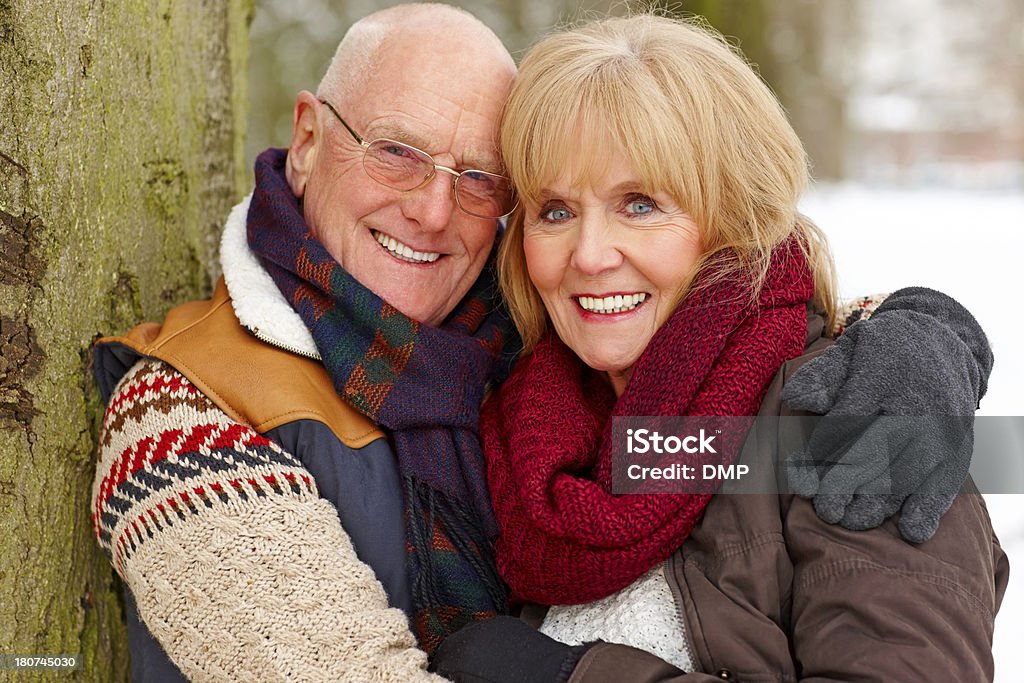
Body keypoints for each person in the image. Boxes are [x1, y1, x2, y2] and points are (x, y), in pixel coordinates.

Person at [89, 4, 995, 682]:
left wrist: (923, 323)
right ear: (308, 139)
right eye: (396, 151)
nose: (433, 210)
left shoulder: (856, 419)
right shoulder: (189, 412)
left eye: (480, 177)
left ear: (730, 218)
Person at [431, 13, 1008, 682]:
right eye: (555, 210)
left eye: (640, 203)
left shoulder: (858, 417)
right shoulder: (516, 431)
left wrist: (574, 676)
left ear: (734, 217)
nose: (587, 256)